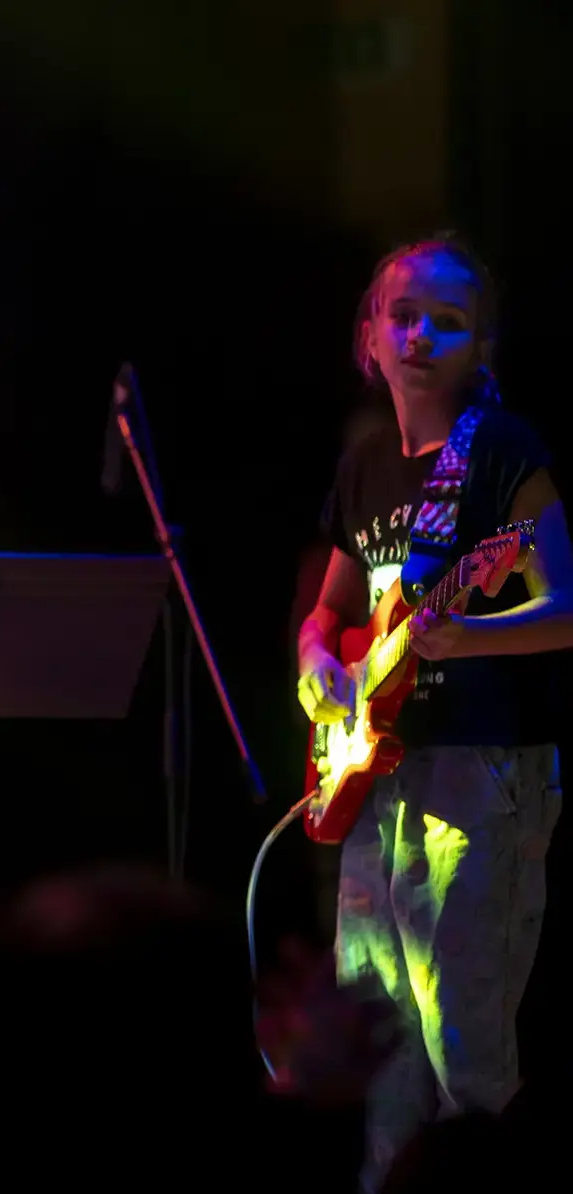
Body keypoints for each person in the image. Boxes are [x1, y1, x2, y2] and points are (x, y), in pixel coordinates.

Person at [296, 233, 571, 1191]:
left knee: (465, 1050)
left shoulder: (501, 452)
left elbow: (565, 609)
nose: (420, 335)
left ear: (481, 348)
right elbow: (327, 615)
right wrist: (315, 663)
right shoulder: (366, 466)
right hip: (376, 775)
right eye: (403, 315)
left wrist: (472, 636)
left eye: (448, 322)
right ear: (368, 336)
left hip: (478, 771)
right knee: (378, 1054)